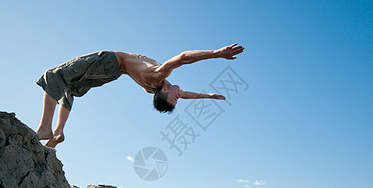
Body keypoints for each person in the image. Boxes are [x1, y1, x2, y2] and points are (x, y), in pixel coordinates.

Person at [35, 43, 244, 148]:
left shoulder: (157, 76)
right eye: (177, 97)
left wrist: (217, 54)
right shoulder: (152, 88)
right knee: (69, 88)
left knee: (54, 75)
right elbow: (185, 94)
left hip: (110, 62)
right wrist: (208, 96)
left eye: (175, 97)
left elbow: (183, 58)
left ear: (163, 91)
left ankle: (45, 127)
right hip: (112, 73)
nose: (179, 95)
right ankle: (58, 132)